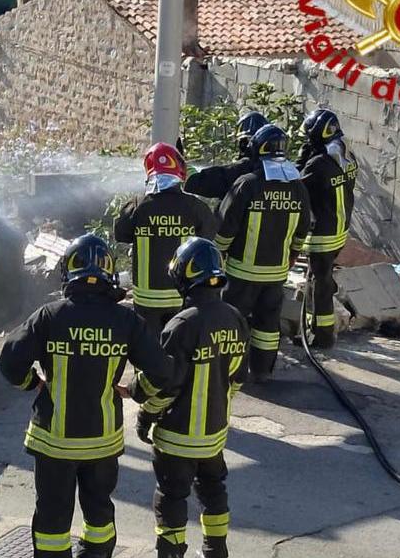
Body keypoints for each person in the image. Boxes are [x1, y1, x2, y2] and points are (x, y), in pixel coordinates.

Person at [0, 234, 178, 558]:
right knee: (99, 513)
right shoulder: (125, 321)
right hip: (102, 443)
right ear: (109, 273)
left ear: (70, 271)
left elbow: (9, 361)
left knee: (51, 521)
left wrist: (31, 384)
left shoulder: (49, 316)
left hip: (53, 443)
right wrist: (136, 392)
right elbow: (163, 372)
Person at [128, 237, 249, 558]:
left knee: (171, 499)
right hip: (214, 433)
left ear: (183, 276)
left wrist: (146, 415)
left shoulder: (181, 324)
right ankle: (216, 557)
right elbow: (238, 376)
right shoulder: (235, 318)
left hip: (178, 435)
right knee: (213, 490)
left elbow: (163, 385)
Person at [215, 124, 310, 382]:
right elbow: (302, 230)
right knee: (267, 325)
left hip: (242, 272)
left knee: (233, 322)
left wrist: (218, 254)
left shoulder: (247, 184)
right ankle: (262, 371)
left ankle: (229, 371)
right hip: (276, 274)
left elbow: (225, 227)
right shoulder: (297, 187)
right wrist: (292, 254)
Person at [115, 143, 219, 337]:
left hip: (147, 300)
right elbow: (209, 236)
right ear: (179, 172)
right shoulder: (195, 207)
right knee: (180, 347)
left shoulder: (138, 206)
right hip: (183, 296)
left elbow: (121, 234)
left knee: (148, 350)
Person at [296, 108, 358, 349]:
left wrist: (302, 158)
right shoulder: (346, 155)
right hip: (340, 228)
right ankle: (319, 329)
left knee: (318, 283)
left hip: (322, 232)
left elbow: (295, 183)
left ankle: (321, 335)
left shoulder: (318, 164)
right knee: (322, 277)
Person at [183, 111, 269, 200]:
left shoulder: (238, 170)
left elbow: (197, 182)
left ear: (244, 143)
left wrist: (183, 166)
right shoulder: (279, 172)